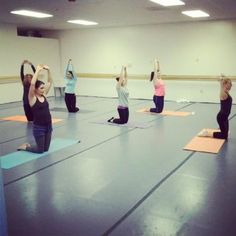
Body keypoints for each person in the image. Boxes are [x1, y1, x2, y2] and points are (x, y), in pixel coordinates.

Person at [18, 64, 53, 153]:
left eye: (43, 88)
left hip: (48, 126)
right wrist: (37, 70)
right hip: (39, 127)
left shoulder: (44, 95)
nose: (43, 89)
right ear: (36, 89)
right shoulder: (32, 98)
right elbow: (33, 84)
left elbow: (50, 81)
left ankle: (32, 145)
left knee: (46, 149)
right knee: (40, 150)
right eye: (41, 88)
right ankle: (25, 147)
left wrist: (48, 70)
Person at [198, 75, 232, 140]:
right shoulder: (223, 94)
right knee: (224, 136)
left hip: (225, 117)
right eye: (229, 83)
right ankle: (206, 133)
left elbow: (223, 81)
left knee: (226, 134)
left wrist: (222, 78)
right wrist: (221, 81)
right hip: (221, 117)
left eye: (231, 83)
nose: (231, 85)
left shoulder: (226, 92)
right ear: (224, 84)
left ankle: (223, 131)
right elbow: (222, 85)